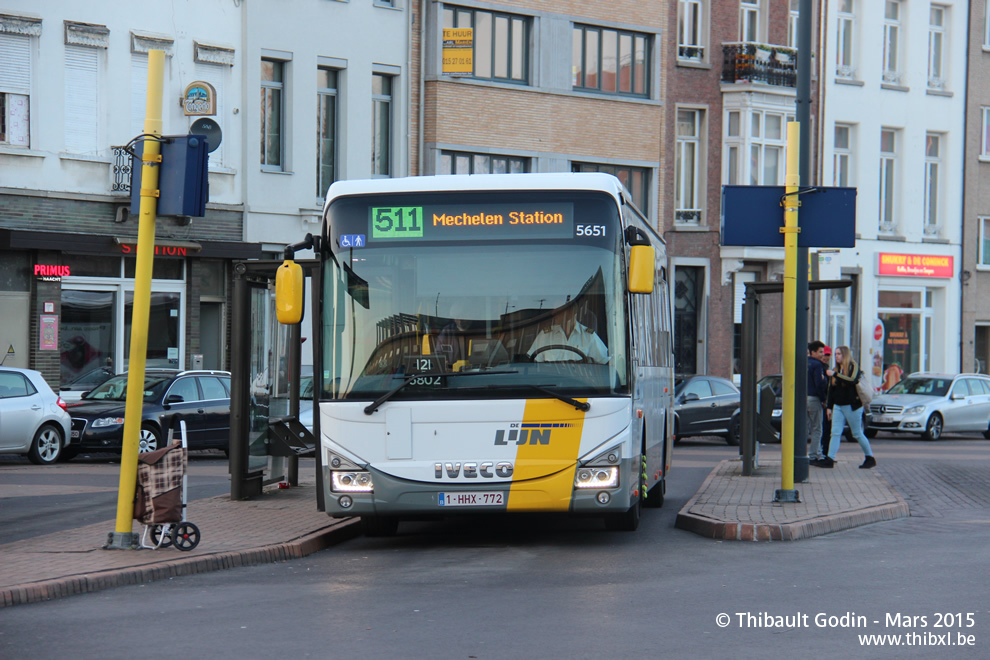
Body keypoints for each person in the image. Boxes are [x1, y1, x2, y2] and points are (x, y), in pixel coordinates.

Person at [813, 345, 876, 469]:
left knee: (857, 433)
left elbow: (852, 380)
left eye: (839, 354)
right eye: (835, 354)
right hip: (838, 406)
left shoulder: (853, 366)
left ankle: (870, 457)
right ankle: (830, 459)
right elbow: (831, 389)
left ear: (845, 355)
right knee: (835, 432)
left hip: (852, 405)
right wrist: (829, 406)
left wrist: (835, 374)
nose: (836, 356)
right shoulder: (836, 369)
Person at [527, 304, 609, 364]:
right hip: (551, 381)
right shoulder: (545, 335)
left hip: (579, 381)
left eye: (558, 310)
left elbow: (603, 362)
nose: (553, 313)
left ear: (570, 312)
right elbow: (534, 364)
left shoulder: (588, 336)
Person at [806, 341, 829, 462]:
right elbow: (819, 384)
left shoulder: (803, 363)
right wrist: (824, 399)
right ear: (813, 352)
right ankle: (814, 455)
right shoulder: (817, 365)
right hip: (814, 399)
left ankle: (800, 453)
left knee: (804, 428)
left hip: (802, 398)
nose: (822, 355)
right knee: (817, 428)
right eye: (820, 352)